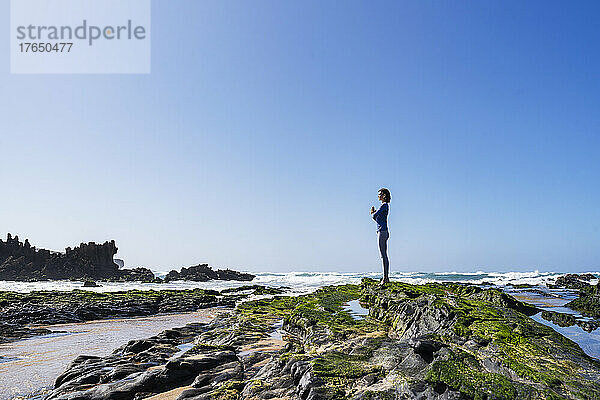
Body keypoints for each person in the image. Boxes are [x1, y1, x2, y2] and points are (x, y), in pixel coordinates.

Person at [371, 188, 390, 284]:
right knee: (384, 255)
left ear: (384, 195)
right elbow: (377, 219)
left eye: (380, 194)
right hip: (383, 231)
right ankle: (385, 277)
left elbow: (374, 216)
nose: (378, 196)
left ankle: (385, 278)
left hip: (382, 232)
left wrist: (373, 213)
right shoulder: (384, 206)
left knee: (383, 255)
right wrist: (374, 215)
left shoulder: (384, 205)